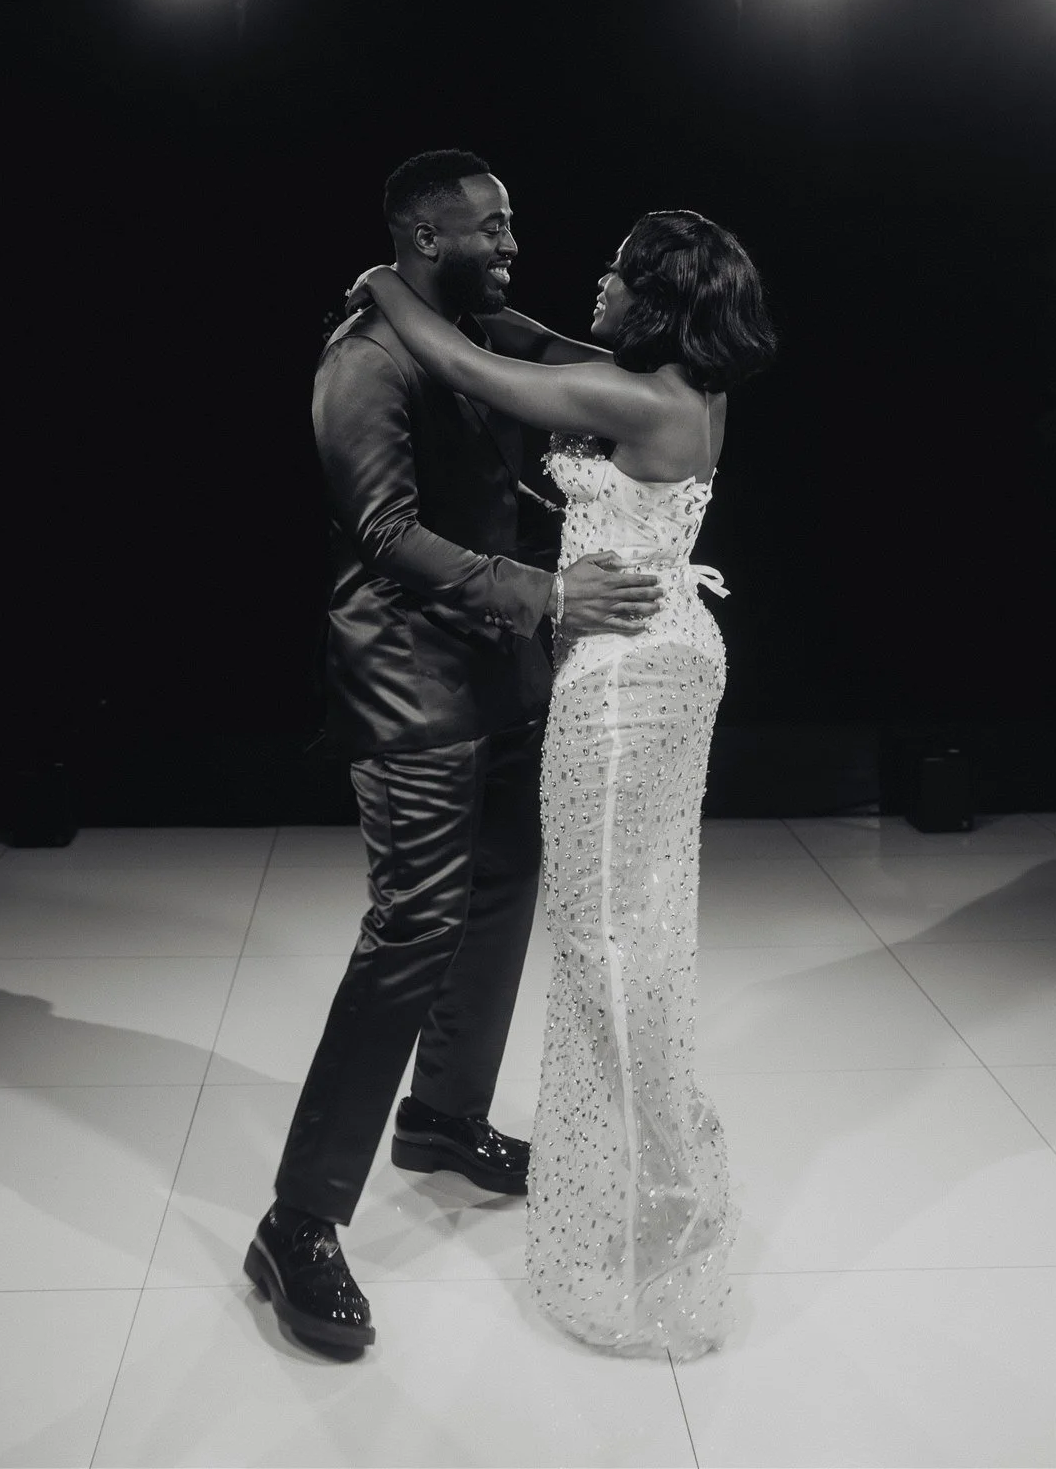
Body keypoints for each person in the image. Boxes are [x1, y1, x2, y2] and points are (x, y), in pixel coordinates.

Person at [244, 150, 667, 1356]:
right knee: (412, 927)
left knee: (500, 894)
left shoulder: (460, 322)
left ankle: (439, 1118)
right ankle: (298, 1219)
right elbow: (382, 534)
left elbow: (568, 361)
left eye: (513, 218)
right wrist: (549, 591)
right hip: (410, 686)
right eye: (492, 225)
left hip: (496, 672)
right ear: (428, 237)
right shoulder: (361, 361)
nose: (514, 240)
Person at [353, 203, 778, 1358]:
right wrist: (478, 298)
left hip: (626, 676)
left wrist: (385, 283)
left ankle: (651, 1211)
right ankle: (649, 1182)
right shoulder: (684, 385)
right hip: (678, 650)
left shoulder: (632, 399)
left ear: (649, 299)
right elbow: (530, 336)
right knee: (637, 926)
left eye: (611, 274)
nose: (590, 285)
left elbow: (466, 364)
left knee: (603, 941)